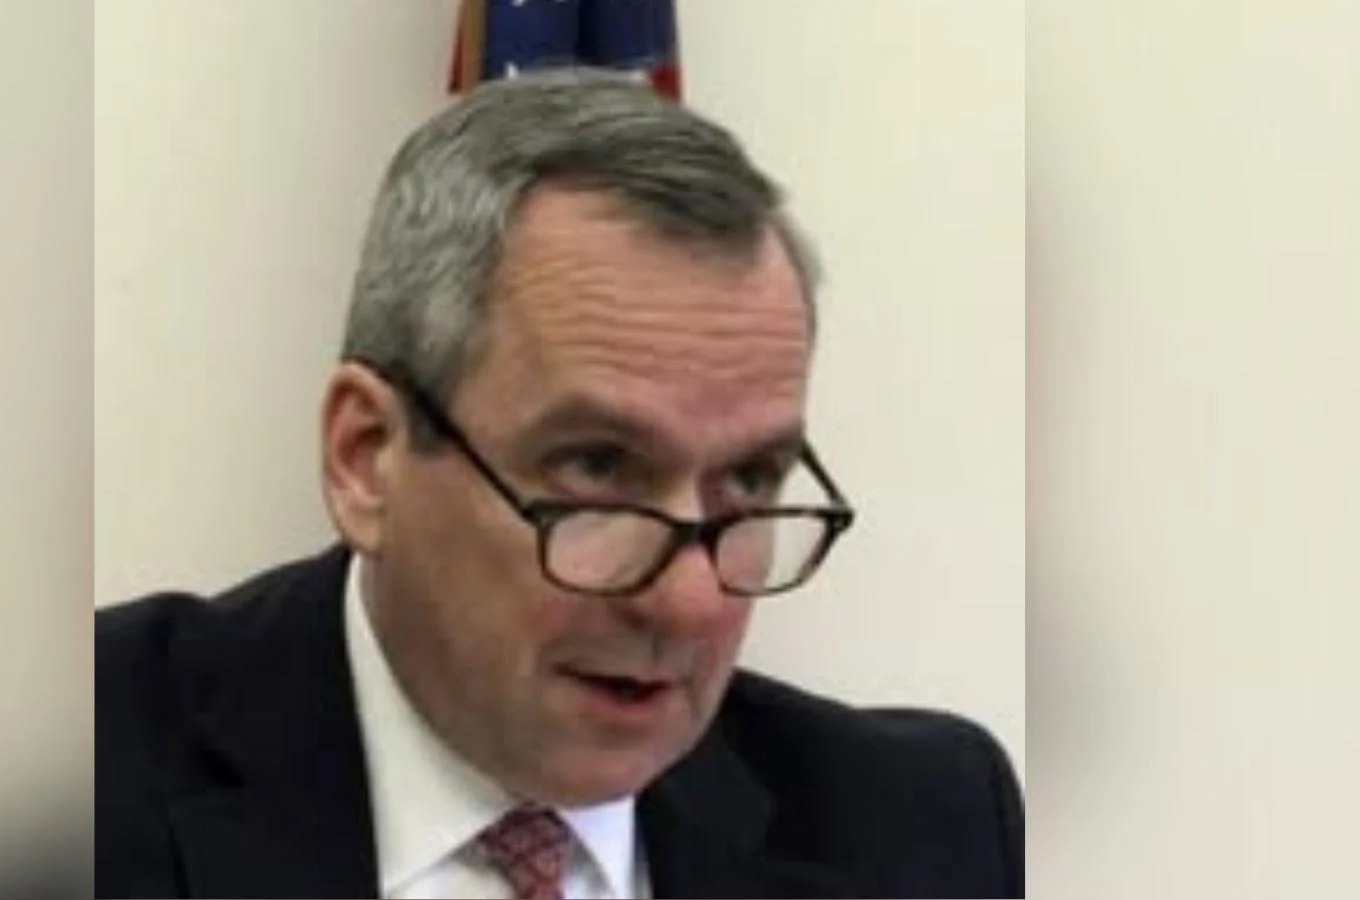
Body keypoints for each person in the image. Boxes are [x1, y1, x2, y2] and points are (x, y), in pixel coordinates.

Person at [96, 68, 1023, 899]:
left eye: (747, 480)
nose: (690, 601)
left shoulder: (923, 831)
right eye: (598, 469)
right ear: (367, 456)